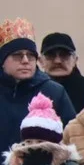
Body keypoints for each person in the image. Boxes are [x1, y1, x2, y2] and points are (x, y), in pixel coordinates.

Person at [0, 19, 76, 154]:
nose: (25, 61)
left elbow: (71, 137)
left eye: (31, 56)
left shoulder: (53, 91)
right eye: (17, 55)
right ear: (3, 61)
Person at [40, 32, 84, 112]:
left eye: (64, 55)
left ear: (75, 60)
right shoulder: (32, 89)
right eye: (51, 55)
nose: (57, 61)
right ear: (41, 61)